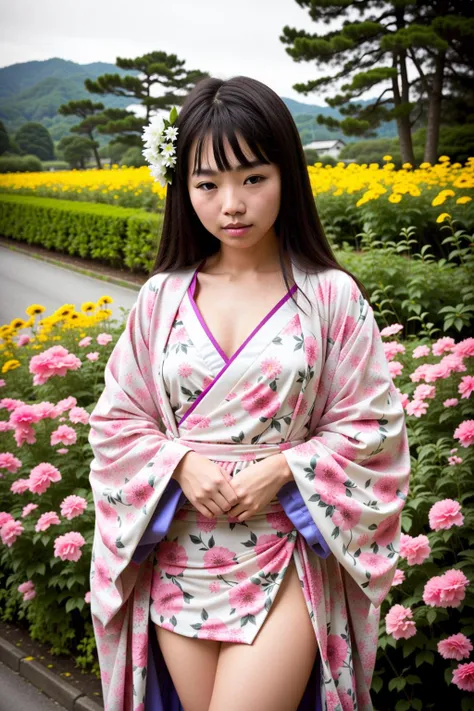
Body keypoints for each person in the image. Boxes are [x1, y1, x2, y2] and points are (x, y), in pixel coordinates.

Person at [88, 76, 411, 711]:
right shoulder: (161, 298)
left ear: (288, 175)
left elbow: (373, 426)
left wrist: (287, 467)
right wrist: (179, 461)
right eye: (208, 184)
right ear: (183, 190)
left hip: (285, 548)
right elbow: (117, 424)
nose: (231, 204)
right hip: (179, 551)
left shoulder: (330, 296)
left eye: (253, 178)